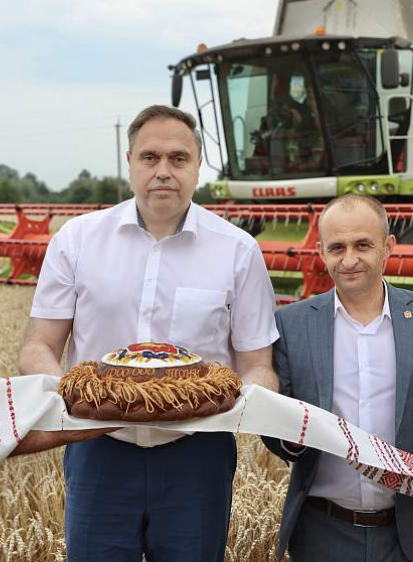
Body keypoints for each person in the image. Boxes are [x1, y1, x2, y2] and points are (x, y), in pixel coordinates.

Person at [18, 104, 279, 562]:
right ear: (130, 162)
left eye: (178, 159)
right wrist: (75, 401)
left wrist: (232, 407)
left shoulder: (238, 251)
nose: (163, 171)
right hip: (98, 449)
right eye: (150, 157)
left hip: (196, 457)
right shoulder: (77, 241)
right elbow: (40, 345)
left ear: (198, 165)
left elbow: (258, 366)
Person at [263, 194, 413, 562]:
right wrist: (290, 437)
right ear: (320, 251)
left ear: (388, 247)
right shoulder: (291, 325)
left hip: (412, 535)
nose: (349, 259)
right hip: (321, 533)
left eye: (362, 245)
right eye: (337, 247)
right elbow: (278, 428)